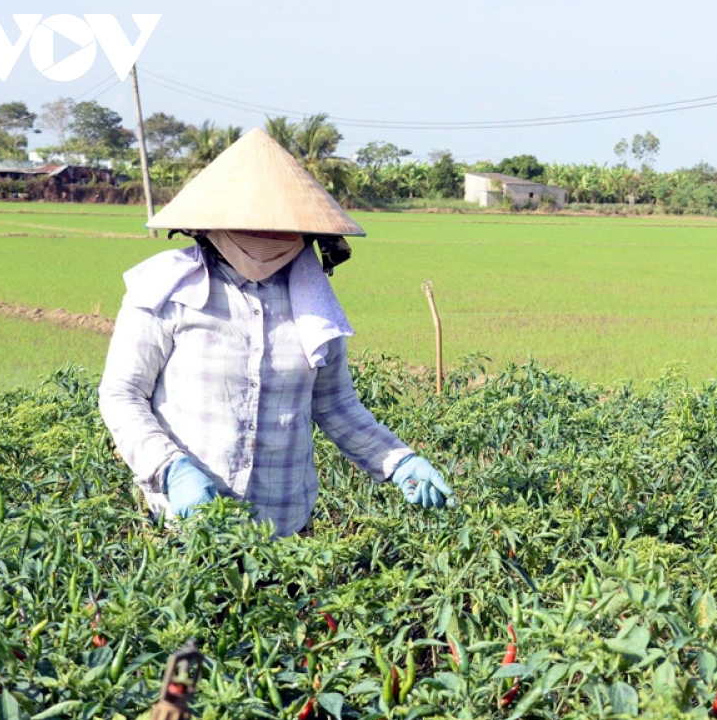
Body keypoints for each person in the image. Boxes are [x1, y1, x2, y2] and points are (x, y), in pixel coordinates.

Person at [99, 129, 454, 537]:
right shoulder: (168, 290)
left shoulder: (314, 304)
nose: (266, 240)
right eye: (250, 226)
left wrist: (398, 461)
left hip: (286, 531)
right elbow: (122, 394)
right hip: (187, 530)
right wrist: (170, 469)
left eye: (280, 228)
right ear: (210, 224)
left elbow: (335, 405)